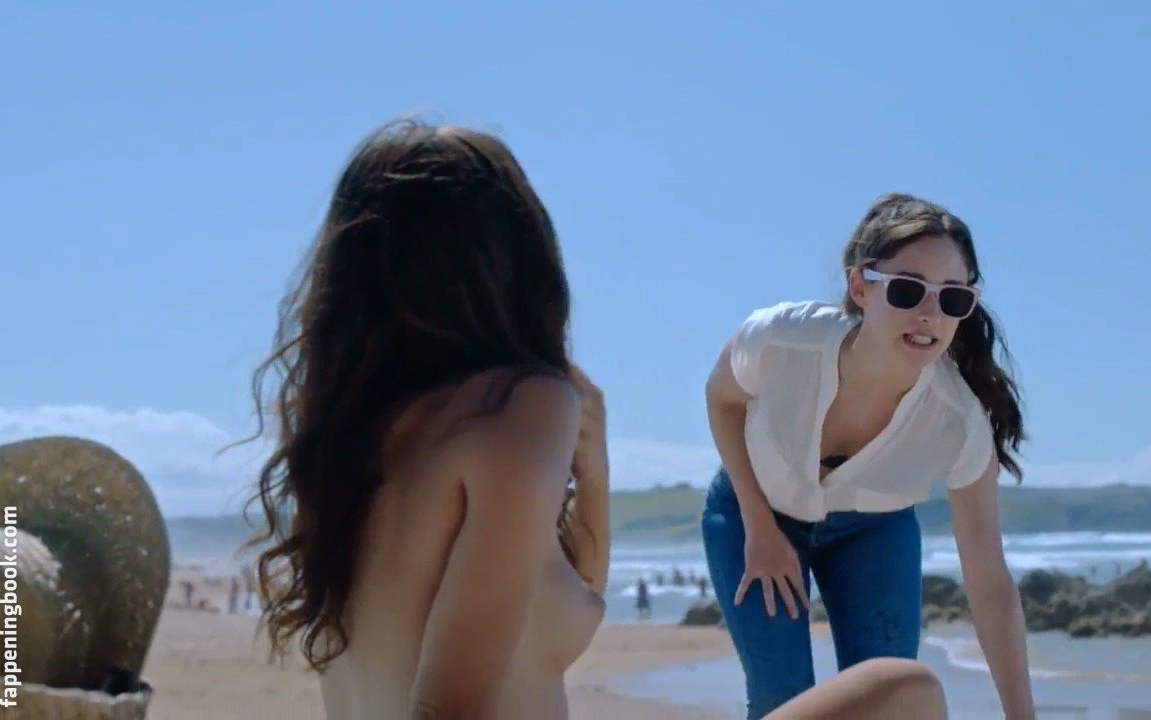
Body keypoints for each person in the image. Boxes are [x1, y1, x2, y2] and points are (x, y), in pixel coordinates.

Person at [236, 119, 611, 719]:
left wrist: (593, 472)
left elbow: (558, 616)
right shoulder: (518, 407)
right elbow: (451, 709)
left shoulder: (349, 446)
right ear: (521, 265)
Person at [703, 193, 1036, 719]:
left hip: (874, 533)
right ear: (860, 287)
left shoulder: (958, 422)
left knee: (888, 699)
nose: (929, 315)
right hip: (755, 512)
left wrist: (1022, 715)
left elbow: (989, 581)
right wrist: (759, 525)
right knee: (780, 698)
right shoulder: (782, 339)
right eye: (907, 290)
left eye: (952, 298)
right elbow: (722, 398)